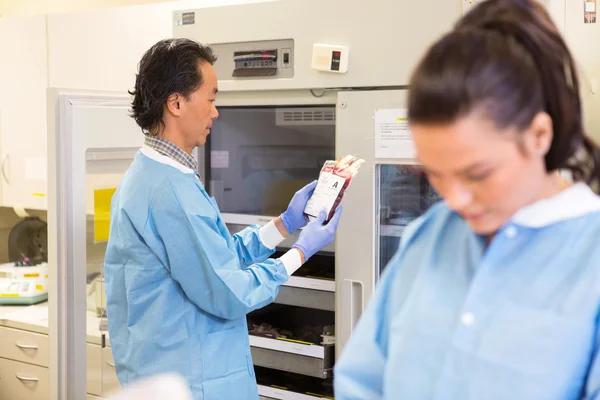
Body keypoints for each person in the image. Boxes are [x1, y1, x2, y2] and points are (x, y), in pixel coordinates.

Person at [334, 0, 600, 399]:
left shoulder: (589, 257)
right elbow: (363, 381)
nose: (454, 200)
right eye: (435, 175)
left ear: (539, 136)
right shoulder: (431, 236)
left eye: (478, 174)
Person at [103, 38, 342, 400]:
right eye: (211, 99)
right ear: (177, 103)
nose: (216, 112)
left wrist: (284, 225)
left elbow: (213, 258)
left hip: (177, 373)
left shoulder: (157, 175)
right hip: (192, 382)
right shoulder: (168, 191)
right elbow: (231, 292)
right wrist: (302, 252)